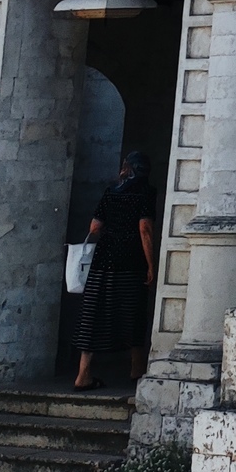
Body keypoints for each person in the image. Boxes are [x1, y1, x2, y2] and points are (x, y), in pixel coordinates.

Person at [73, 150, 157, 389]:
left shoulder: (111, 191)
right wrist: (151, 264)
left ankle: (83, 375)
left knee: (93, 315)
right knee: (133, 311)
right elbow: (145, 229)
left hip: (103, 258)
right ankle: (136, 368)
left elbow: (95, 226)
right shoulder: (146, 193)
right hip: (131, 260)